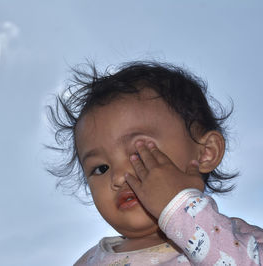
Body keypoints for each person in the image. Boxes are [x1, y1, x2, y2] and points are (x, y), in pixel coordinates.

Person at [46, 61, 263, 265]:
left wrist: (182, 209)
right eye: (101, 168)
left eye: (140, 154)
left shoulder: (237, 239)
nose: (119, 177)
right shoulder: (88, 261)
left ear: (206, 152)